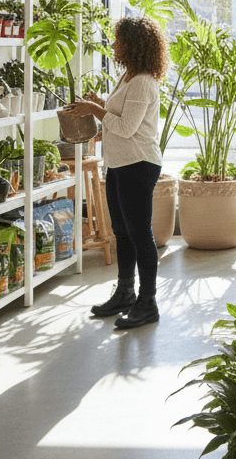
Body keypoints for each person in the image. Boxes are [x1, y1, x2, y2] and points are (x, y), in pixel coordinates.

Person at [65, 16, 168, 329]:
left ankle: (147, 302)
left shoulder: (143, 82)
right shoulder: (128, 77)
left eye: (118, 39)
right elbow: (119, 114)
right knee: (121, 231)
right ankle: (125, 292)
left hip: (139, 164)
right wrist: (99, 103)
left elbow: (126, 127)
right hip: (120, 164)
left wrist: (96, 111)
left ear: (133, 44)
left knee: (140, 234)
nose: (113, 44)